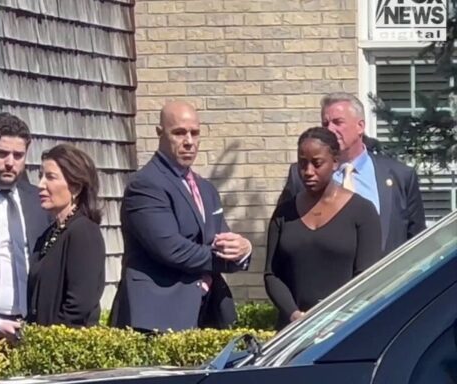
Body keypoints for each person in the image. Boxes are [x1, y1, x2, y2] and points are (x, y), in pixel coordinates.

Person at [110, 101, 252, 332]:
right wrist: (227, 259)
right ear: (159, 134)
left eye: (194, 133)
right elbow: (172, 249)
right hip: (157, 318)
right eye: (179, 133)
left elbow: (223, 240)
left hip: (206, 315)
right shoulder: (145, 185)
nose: (189, 142)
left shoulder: (206, 189)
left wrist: (242, 249)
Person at [279, 92, 425, 255]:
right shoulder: (302, 175)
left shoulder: (400, 176)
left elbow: (418, 242)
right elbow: (282, 234)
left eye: (338, 122)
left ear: (360, 126)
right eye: (325, 123)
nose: (330, 129)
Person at [265, 127, 383, 328]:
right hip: (292, 331)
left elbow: (367, 277)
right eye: (303, 164)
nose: (308, 172)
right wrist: (294, 314)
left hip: (344, 329)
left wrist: (334, 318)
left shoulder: (362, 211)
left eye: (317, 163)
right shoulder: (284, 213)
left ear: (335, 162)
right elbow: (272, 274)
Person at [0, 112, 51, 339]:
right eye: (2, 153)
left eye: (18, 155)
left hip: (32, 324)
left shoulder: (38, 201)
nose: (10, 162)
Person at [27, 144, 105, 327]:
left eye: (50, 177)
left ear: (76, 188)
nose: (40, 185)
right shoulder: (49, 233)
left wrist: (52, 340)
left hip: (66, 346)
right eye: (40, 177)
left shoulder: (84, 232)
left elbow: (79, 304)